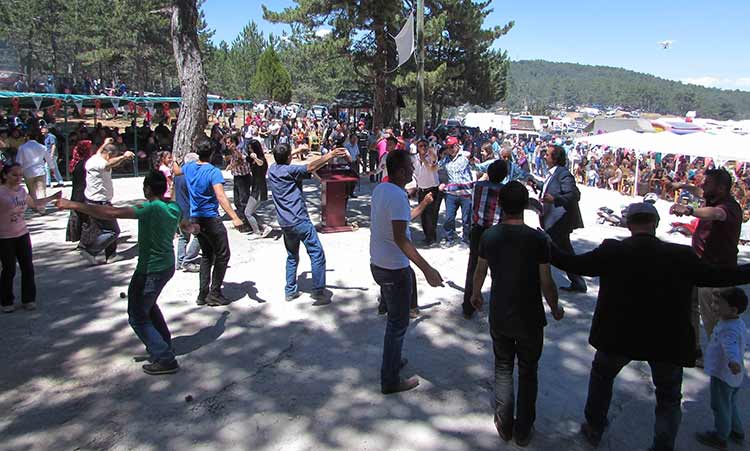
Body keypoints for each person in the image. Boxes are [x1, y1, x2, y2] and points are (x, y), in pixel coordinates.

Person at [550, 202, 750, 451]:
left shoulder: (612, 251)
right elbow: (722, 276)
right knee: (668, 398)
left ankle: (594, 428)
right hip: (667, 340)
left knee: (602, 379)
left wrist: (544, 245)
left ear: (629, 224)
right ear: (655, 224)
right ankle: (663, 446)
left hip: (617, 335)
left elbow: (573, 264)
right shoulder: (681, 256)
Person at [56, 171, 182, 375]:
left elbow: (111, 213)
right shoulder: (174, 207)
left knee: (137, 316)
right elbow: (184, 225)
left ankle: (165, 358)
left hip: (150, 270)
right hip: (167, 265)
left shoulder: (149, 208)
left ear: (147, 188)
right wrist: (192, 227)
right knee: (149, 307)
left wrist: (73, 205)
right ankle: (163, 345)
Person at [470, 181, 563, 446]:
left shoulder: (489, 236)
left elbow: (480, 270)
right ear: (525, 205)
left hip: (500, 312)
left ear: (500, 204)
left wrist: (475, 294)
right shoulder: (538, 239)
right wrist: (555, 307)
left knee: (502, 367)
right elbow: (546, 281)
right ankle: (524, 428)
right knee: (528, 370)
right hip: (530, 316)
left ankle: (503, 421)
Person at [370, 149, 443, 394]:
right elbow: (401, 238)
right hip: (393, 269)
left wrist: (422, 204)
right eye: (410, 168)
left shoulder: (382, 189)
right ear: (401, 171)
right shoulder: (397, 196)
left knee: (395, 321)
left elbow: (400, 221)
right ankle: (389, 380)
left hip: (379, 264)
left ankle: (393, 359)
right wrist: (427, 269)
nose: (414, 171)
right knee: (397, 324)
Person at [670, 169, 742, 367]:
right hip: (699, 266)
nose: (703, 187)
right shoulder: (712, 198)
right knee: (690, 307)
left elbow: (717, 215)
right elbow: (697, 192)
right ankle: (695, 350)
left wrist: (690, 210)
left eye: (707, 183)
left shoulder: (728, 207)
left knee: (714, 319)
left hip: (717, 272)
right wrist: (682, 186)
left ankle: (721, 361)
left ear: (721, 188)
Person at [268, 143, 346, 305]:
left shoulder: (273, 170)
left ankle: (290, 290)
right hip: (300, 220)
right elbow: (311, 166)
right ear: (289, 157)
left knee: (291, 256)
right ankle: (318, 291)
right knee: (316, 253)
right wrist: (330, 155)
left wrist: (296, 151)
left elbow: (283, 158)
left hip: (285, 223)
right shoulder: (291, 171)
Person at [172, 139, 244, 307]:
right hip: (210, 218)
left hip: (195, 217)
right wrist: (234, 216)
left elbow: (176, 171)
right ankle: (215, 292)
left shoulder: (189, 168)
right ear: (212, 153)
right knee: (223, 254)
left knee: (206, 255)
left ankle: (202, 293)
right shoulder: (213, 172)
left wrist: (174, 158)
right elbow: (220, 196)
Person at [442, 160, 509, 319]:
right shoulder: (505, 190)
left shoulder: (478, 186)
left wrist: (446, 187)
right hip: (496, 233)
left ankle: (468, 307)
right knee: (498, 270)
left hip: (478, 231)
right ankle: (499, 307)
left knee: (473, 268)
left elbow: (460, 186)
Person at [0, 163, 60, 313]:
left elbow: (34, 204)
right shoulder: (1, 192)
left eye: (21, 175)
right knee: (9, 269)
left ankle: (28, 299)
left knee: (28, 267)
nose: (19, 178)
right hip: (4, 237)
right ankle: (6, 301)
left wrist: (52, 197)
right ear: (5, 175)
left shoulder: (22, 191)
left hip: (22, 233)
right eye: (15, 175)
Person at [694, 287, 748, 449]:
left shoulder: (727, 329)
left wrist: (733, 362)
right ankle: (737, 431)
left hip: (723, 374)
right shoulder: (736, 322)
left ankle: (720, 436)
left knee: (720, 406)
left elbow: (730, 346)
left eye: (718, 304)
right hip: (734, 377)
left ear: (732, 310)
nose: (712, 306)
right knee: (731, 403)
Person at [534, 144, 587, 293]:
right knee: (566, 252)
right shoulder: (554, 173)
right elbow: (551, 189)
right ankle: (578, 281)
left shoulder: (563, 173)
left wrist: (555, 199)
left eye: (548, 154)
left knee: (543, 249)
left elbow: (574, 195)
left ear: (555, 158)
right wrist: (537, 185)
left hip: (559, 222)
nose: (544, 156)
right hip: (555, 221)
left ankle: (538, 281)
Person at [81, 141, 135, 264]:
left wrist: (105, 142)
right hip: (100, 203)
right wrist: (124, 156)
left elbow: (100, 152)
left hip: (94, 200)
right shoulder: (100, 163)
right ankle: (90, 251)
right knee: (113, 231)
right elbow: (109, 164)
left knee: (106, 227)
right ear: (109, 154)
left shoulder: (94, 158)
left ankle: (111, 255)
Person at [439, 136, 474, 246]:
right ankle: (449, 238)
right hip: (451, 194)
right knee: (449, 218)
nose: (450, 149)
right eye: (448, 147)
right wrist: (442, 182)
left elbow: (475, 163)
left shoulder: (465, 156)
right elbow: (438, 168)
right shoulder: (446, 159)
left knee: (466, 219)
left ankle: (466, 239)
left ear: (457, 146)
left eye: (452, 146)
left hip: (465, 194)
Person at [173, 153, 201, 272]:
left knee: (183, 237)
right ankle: (188, 260)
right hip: (190, 210)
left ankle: (179, 261)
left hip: (179, 209)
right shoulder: (191, 176)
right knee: (199, 235)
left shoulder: (177, 176)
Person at [412, 137, 441, 246]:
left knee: (431, 214)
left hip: (432, 189)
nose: (423, 148)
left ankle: (432, 237)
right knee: (423, 214)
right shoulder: (414, 158)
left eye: (425, 145)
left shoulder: (431, 157)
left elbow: (433, 168)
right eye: (421, 146)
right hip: (421, 189)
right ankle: (427, 236)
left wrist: (426, 159)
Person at [224, 134, 253, 231]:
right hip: (237, 177)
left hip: (243, 177)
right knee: (237, 201)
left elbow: (241, 160)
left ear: (234, 142)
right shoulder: (232, 151)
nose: (227, 145)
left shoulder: (239, 149)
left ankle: (248, 223)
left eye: (229, 143)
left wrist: (232, 165)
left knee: (243, 201)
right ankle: (242, 220)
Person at [244, 140, 272, 239]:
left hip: (259, 188)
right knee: (251, 212)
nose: (249, 150)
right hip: (255, 187)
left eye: (251, 148)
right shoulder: (251, 159)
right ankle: (265, 226)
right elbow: (242, 157)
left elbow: (260, 163)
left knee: (248, 213)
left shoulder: (261, 159)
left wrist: (255, 158)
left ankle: (257, 232)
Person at [16, 132, 57, 201]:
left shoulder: (22, 148)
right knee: (41, 191)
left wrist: (19, 172)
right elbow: (48, 159)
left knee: (32, 191)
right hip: (40, 171)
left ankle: (34, 206)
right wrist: (52, 168)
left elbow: (18, 161)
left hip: (28, 171)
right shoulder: (42, 147)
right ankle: (42, 207)